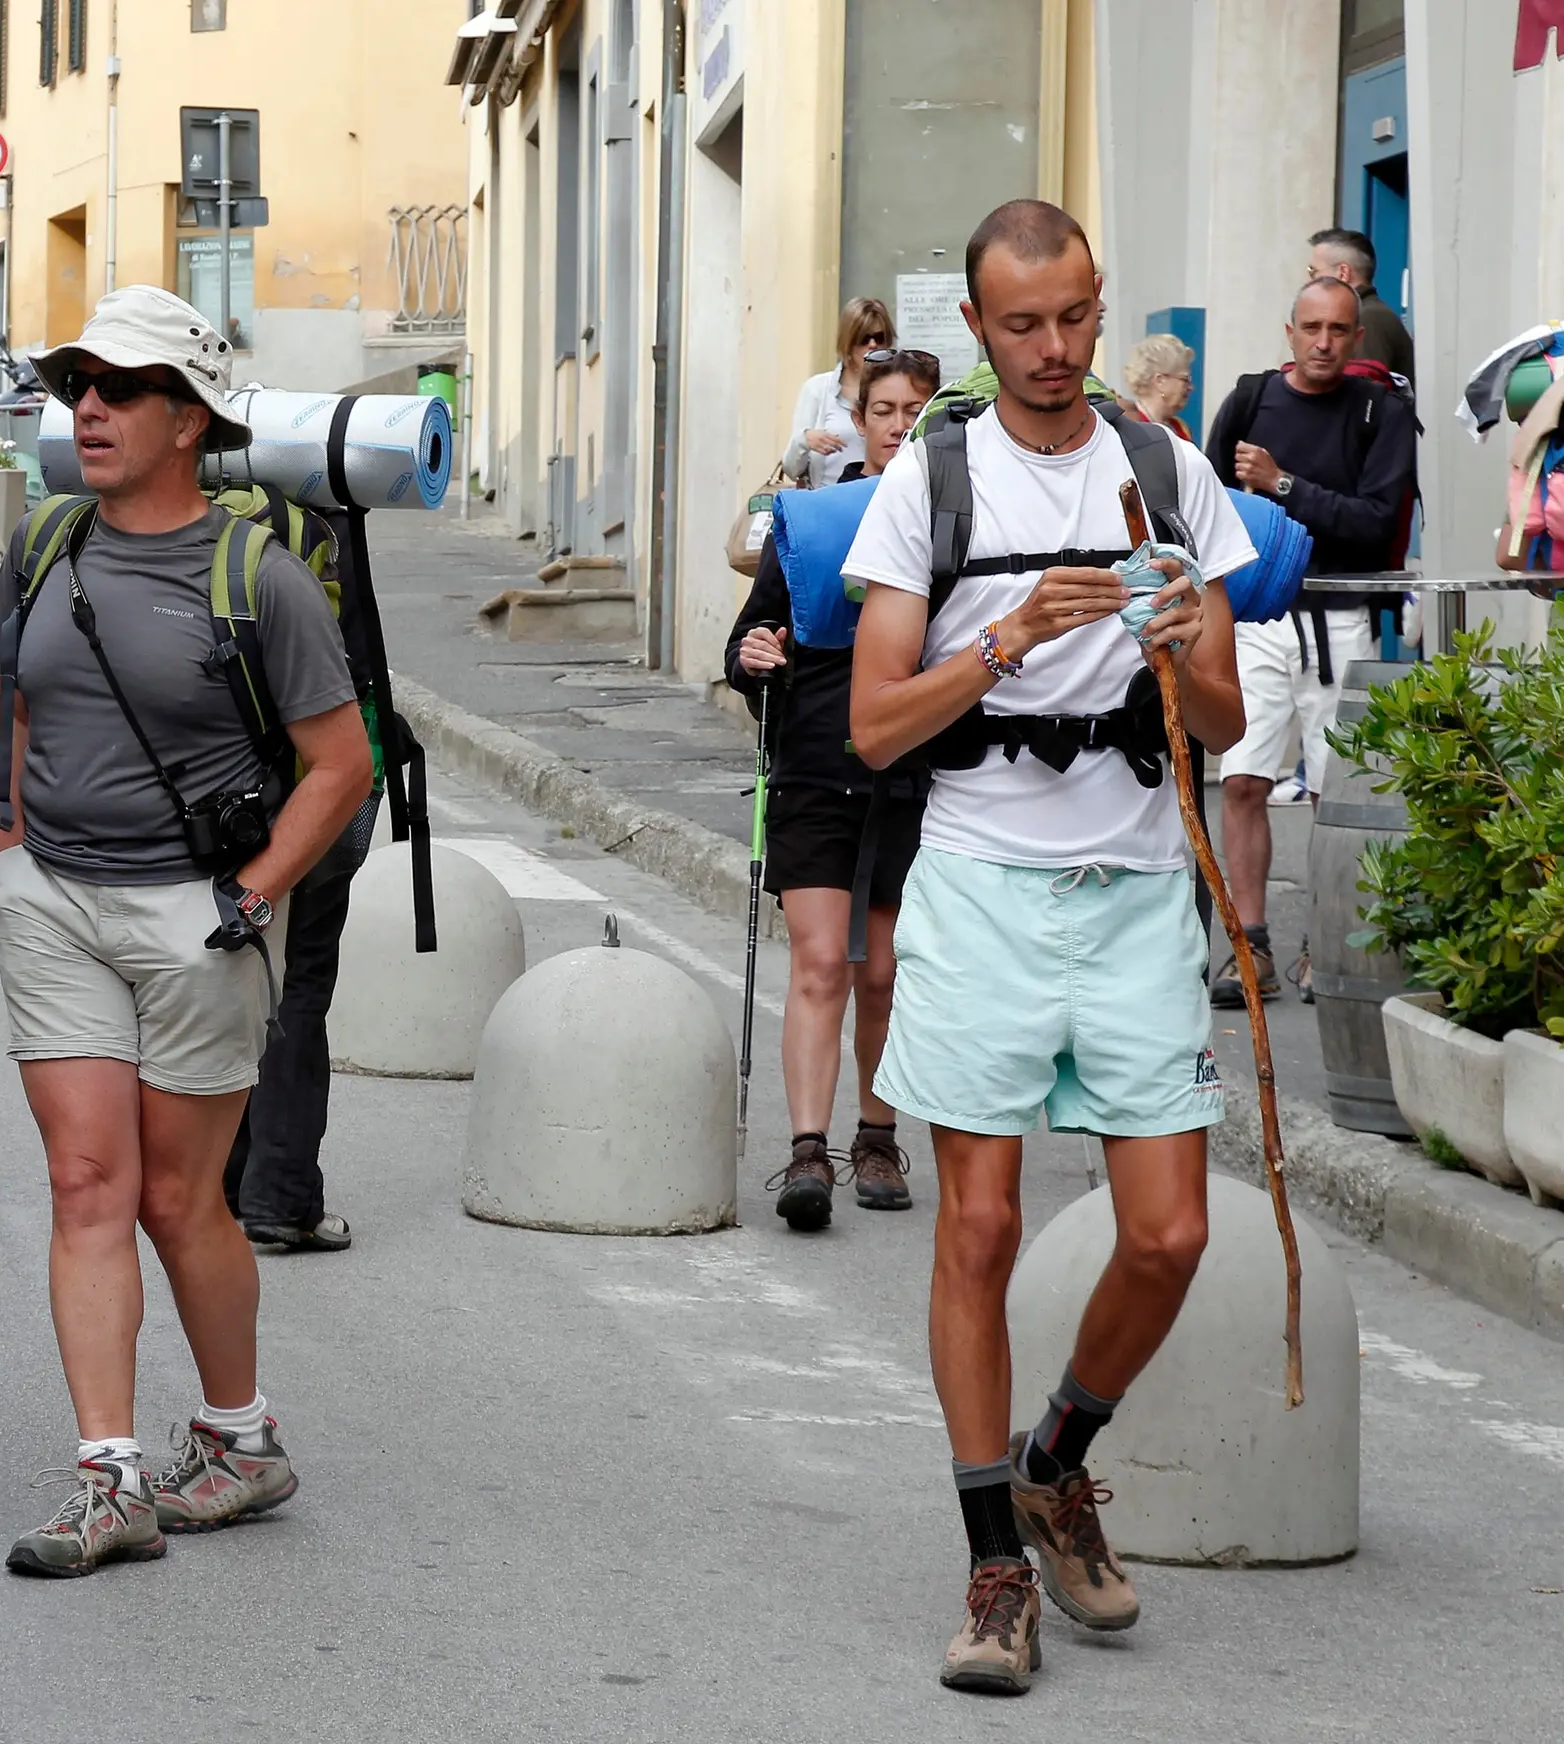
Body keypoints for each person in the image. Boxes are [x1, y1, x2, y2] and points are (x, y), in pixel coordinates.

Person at [845, 199, 1253, 1697]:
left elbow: (1222, 725)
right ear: (978, 326)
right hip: (983, 881)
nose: (1055, 349)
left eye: (1075, 317)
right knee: (980, 1228)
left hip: (1140, 882)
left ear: (1097, 305)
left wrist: (1178, 645)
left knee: (1169, 1234)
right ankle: (994, 1567)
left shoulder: (1163, 470)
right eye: (1022, 324)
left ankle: (1055, 1457)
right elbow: (875, 723)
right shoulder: (929, 482)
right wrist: (1005, 639)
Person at [0, 285, 374, 1577]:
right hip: (56, 906)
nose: (87, 406)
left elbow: (340, 763)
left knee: (173, 1194)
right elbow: (11, 699)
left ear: (190, 419)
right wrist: (4, 851)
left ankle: (240, 1437)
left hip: (197, 920)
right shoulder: (46, 544)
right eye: (76, 383)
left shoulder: (255, 575)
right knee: (86, 1183)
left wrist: (256, 893)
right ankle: (110, 1477)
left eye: (121, 387)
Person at [724, 348, 942, 1232]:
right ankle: (807, 1150)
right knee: (820, 962)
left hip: (916, 772)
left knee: (883, 970)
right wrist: (755, 659)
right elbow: (749, 643)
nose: (897, 425)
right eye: (883, 410)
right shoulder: (811, 524)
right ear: (858, 421)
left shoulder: (959, 524)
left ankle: (878, 1135)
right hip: (816, 760)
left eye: (914, 410)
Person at [1203, 275, 1419, 1007]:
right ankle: (1248, 945)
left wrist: (1284, 485)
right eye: (1311, 328)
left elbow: (1374, 519)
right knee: (1241, 780)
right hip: (1258, 616)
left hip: (1341, 616)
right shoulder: (1251, 398)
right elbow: (1205, 509)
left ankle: (1325, 945)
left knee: (1338, 793)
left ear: (1356, 337)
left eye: (1337, 330)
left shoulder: (1379, 411)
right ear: (1289, 332)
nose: (1323, 342)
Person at [222, 784, 378, 1254]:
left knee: (233, 964)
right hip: (302, 793)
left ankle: (229, 1181)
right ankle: (280, 1196)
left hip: (210, 792)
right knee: (297, 979)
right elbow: (341, 755)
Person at [784, 297, 897, 489]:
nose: (872, 345)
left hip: (881, 501)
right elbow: (790, 469)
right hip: (828, 503)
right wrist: (805, 440)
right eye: (863, 338)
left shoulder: (897, 390)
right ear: (848, 343)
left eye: (879, 338)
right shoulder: (818, 390)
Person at [1308, 227, 1414, 380]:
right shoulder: (1367, 314)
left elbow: (1365, 393)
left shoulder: (1368, 319)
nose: (1310, 281)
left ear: (1343, 273)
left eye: (1313, 271)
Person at [1119, 332, 1195, 441]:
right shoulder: (1127, 428)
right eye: (1185, 380)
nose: (1190, 387)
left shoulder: (1181, 428)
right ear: (1160, 381)